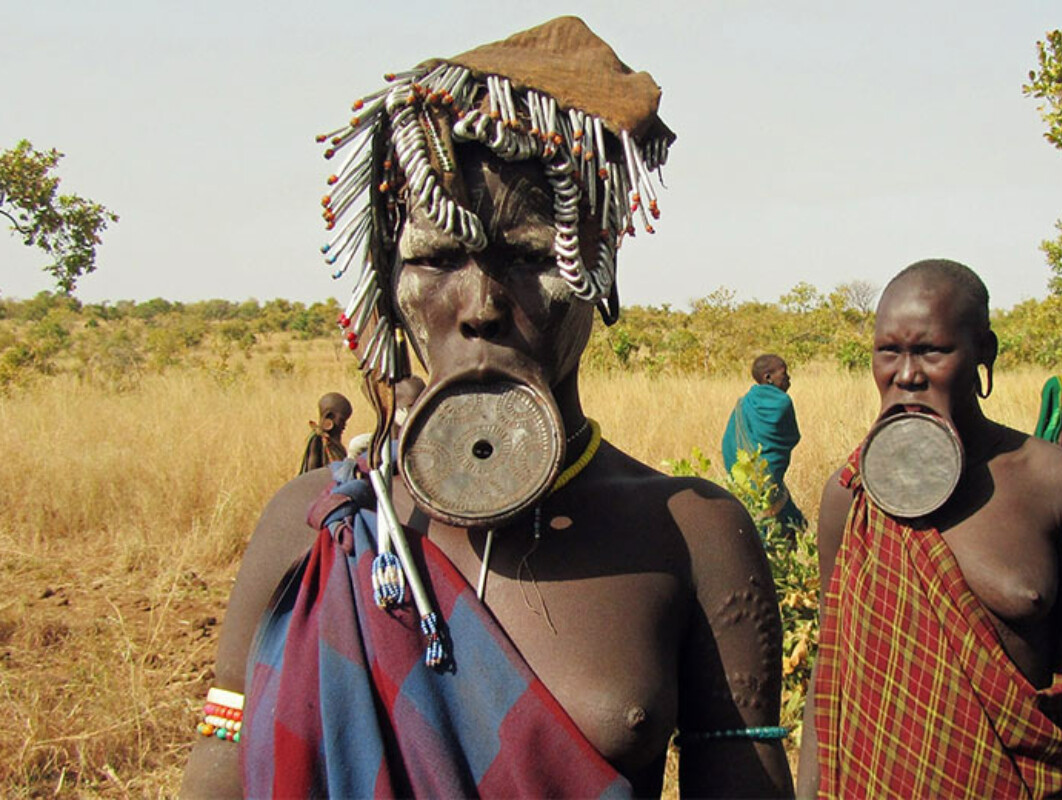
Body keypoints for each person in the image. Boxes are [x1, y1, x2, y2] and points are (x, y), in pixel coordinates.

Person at [181, 17, 791, 799]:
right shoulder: (310, 527)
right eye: (437, 257)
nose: (481, 306)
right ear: (384, 283)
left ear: (601, 269)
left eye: (532, 257)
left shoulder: (693, 533)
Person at [796, 259, 1062, 798]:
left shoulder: (1058, 486)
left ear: (983, 352)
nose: (907, 374)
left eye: (932, 351)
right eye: (888, 352)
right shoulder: (850, 495)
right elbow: (830, 670)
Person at [721, 354, 806, 530]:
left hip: (744, 476)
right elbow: (791, 437)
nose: (788, 377)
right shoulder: (782, 402)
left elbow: (728, 442)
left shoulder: (744, 402)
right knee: (790, 525)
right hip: (769, 476)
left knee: (758, 514)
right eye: (784, 373)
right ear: (768, 377)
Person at [346, 375, 425, 460]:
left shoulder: (407, 387)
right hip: (392, 440)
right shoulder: (403, 385)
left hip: (407, 442)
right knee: (357, 443)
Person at [298, 392, 353, 474]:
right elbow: (312, 471)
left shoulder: (332, 442)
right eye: (342, 420)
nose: (344, 425)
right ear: (329, 416)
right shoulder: (317, 439)